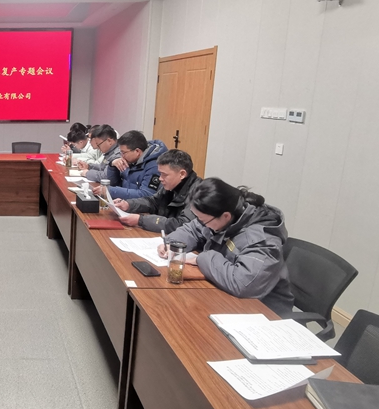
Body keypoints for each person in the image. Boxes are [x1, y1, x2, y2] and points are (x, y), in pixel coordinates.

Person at [159, 178, 294, 316]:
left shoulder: (262, 240)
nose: (200, 223)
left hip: (264, 313)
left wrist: (202, 258)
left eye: (203, 221)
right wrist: (172, 243)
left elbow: (242, 284)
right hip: (224, 297)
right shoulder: (223, 214)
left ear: (226, 216)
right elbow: (194, 228)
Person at [114, 149, 201, 233]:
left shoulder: (199, 193)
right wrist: (128, 204)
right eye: (160, 174)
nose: (160, 178)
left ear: (182, 174)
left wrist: (141, 220)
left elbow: (182, 224)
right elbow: (153, 202)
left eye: (164, 175)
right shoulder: (172, 185)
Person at [95, 130, 166, 200]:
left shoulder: (154, 166)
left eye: (124, 153)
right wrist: (112, 166)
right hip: (122, 203)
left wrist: (111, 191)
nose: (122, 156)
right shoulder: (130, 161)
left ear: (137, 151)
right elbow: (114, 184)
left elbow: (146, 195)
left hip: (138, 206)